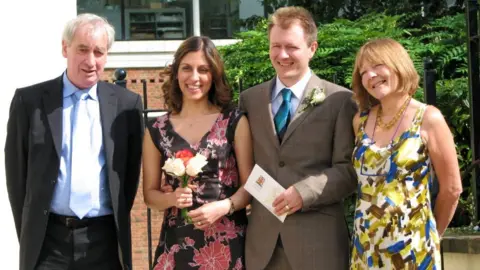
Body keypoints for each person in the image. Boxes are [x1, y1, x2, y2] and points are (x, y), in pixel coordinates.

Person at [5, 13, 143, 270]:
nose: (91, 61)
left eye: (99, 52)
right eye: (82, 49)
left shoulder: (127, 105)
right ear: (65, 48)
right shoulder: (29, 102)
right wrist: (30, 230)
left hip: (104, 241)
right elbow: (16, 177)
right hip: (49, 243)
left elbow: (129, 177)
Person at [239, 6, 358, 270]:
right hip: (263, 247)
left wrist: (304, 193)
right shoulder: (250, 99)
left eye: (291, 47)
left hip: (318, 244)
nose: (282, 55)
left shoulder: (339, 100)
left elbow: (349, 170)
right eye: (275, 46)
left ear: (312, 48)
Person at [350, 38, 463, 269]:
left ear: (398, 65)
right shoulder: (359, 121)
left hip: (414, 250)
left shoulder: (428, 118)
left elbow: (452, 189)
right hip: (365, 250)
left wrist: (429, 234)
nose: (370, 75)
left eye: (377, 66)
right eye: (364, 71)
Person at [142, 36, 254, 270]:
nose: (194, 77)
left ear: (213, 75)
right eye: (186, 68)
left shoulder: (234, 121)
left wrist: (225, 206)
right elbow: (150, 195)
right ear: (176, 73)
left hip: (228, 244)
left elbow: (251, 186)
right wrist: (172, 198)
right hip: (177, 246)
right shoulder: (157, 129)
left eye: (203, 69)